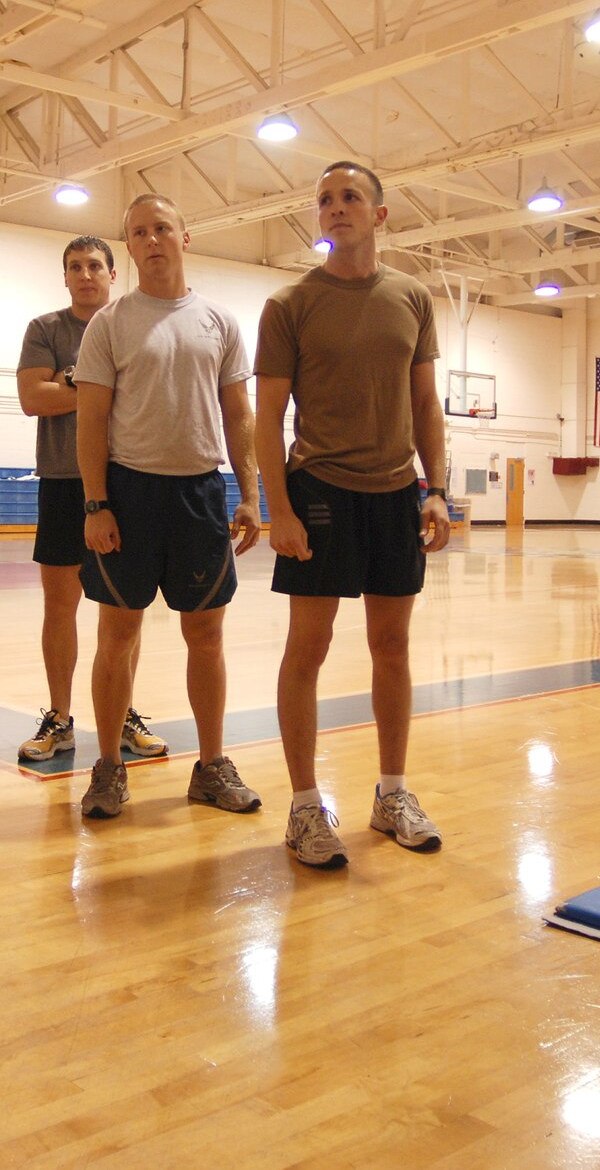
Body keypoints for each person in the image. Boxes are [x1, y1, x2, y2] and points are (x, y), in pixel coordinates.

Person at [255, 162, 453, 871]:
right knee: (307, 648)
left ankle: (391, 794)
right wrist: (278, 507)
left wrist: (436, 489)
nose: (336, 208)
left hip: (396, 490)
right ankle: (305, 804)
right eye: (326, 200)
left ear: (380, 213)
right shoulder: (289, 303)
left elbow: (426, 403)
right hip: (321, 491)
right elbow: (267, 417)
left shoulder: (412, 296)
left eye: (350, 198)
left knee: (392, 647)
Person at [73, 193, 262, 819]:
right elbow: (91, 420)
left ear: (187, 235)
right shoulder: (110, 324)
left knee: (205, 635)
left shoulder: (220, 322)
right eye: (139, 232)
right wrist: (96, 503)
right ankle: (108, 767)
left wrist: (251, 492)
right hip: (128, 496)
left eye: (162, 228)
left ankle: (210, 766)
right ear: (128, 245)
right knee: (116, 635)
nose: (152, 239)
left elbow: (239, 416)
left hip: (200, 495)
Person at [14, 237, 167, 764]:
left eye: (95, 266)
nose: (85, 274)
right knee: (60, 606)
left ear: (112, 273)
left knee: (123, 610)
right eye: (75, 267)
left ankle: (121, 713)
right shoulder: (45, 329)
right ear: (65, 276)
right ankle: (60, 717)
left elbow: (142, 393)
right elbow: (34, 399)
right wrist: (103, 386)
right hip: (62, 482)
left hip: (124, 481)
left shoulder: (134, 323)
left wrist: (72, 382)